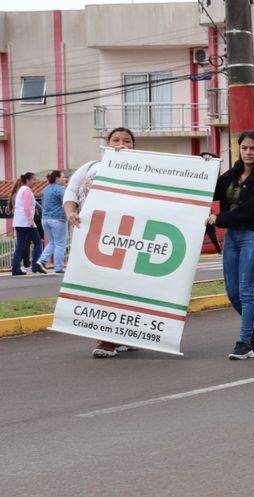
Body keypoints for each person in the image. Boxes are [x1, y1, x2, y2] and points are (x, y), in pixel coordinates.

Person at [64, 127, 139, 358]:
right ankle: (111, 337)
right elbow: (71, 192)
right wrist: (71, 213)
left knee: (121, 286)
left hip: (127, 237)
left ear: (134, 146)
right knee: (99, 285)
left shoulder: (144, 169)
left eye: (127, 141)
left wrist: (204, 163)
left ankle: (111, 339)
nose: (121, 144)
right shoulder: (90, 167)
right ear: (107, 143)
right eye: (115, 140)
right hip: (92, 235)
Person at [208, 131, 254, 360]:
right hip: (232, 237)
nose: (248, 152)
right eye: (244, 148)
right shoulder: (232, 174)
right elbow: (211, 190)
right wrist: (207, 164)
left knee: (246, 291)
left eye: (253, 148)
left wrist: (220, 219)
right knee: (232, 293)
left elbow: (251, 211)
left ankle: (245, 343)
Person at [11, 172, 44, 276]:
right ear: (27, 180)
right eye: (33, 179)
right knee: (38, 242)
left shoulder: (21, 190)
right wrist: (30, 221)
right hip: (26, 222)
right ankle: (35, 265)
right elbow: (26, 207)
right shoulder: (27, 191)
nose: (35, 182)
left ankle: (15, 268)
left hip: (19, 221)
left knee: (20, 245)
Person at [38, 170, 68, 273]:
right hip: (58, 219)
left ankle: (41, 261)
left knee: (52, 242)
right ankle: (58, 267)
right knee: (60, 244)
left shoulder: (45, 189)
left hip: (45, 219)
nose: (65, 179)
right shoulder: (61, 189)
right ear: (57, 178)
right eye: (63, 177)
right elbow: (66, 203)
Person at [199, 152, 223, 254]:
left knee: (211, 235)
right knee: (200, 237)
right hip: (200, 216)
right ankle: (218, 250)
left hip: (207, 216)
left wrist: (212, 159)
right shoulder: (198, 181)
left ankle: (219, 250)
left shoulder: (213, 181)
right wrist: (203, 156)